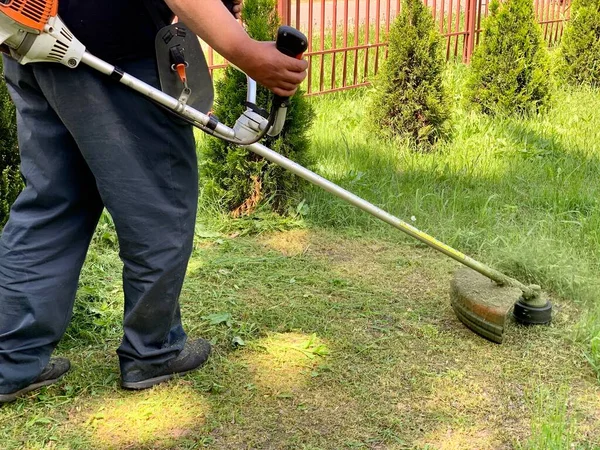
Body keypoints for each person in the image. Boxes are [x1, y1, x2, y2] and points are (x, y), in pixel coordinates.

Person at [0, 0, 307, 403]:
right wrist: (244, 50)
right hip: (106, 57)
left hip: (32, 43)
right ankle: (153, 350)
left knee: (52, 206)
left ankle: (10, 359)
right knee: (160, 206)